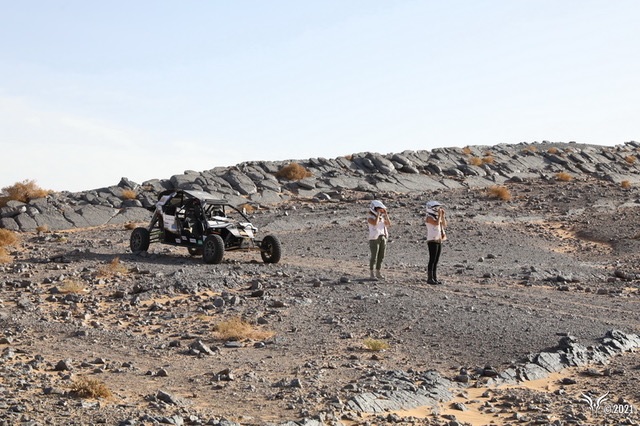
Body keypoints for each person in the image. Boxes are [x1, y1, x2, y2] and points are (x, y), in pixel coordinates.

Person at [367, 200, 391, 280]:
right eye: (379, 209)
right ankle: (371, 273)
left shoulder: (382, 218)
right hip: (374, 238)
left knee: (381, 256)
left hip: (383, 236)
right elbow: (375, 223)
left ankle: (378, 271)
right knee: (374, 256)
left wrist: (386, 215)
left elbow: (389, 224)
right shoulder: (370, 218)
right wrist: (377, 214)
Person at [425, 200, 447, 285]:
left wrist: (443, 216)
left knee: (436, 260)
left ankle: (434, 277)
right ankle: (430, 278)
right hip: (432, 240)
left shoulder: (437, 217)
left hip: (438, 239)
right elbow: (436, 224)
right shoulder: (429, 217)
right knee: (432, 259)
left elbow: (444, 225)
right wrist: (440, 215)